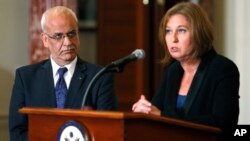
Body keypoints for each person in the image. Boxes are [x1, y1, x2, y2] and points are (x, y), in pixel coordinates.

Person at [132, 2, 239, 140]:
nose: (173, 39)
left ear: (198, 33)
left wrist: (161, 115)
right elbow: (155, 111)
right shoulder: (173, 71)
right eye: (168, 31)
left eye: (181, 30)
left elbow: (224, 124)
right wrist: (144, 110)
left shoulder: (222, 69)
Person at [9, 6, 118, 141]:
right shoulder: (25, 78)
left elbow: (108, 131)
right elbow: (17, 132)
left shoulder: (100, 77)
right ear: (45, 40)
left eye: (72, 34)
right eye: (59, 36)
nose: (67, 42)